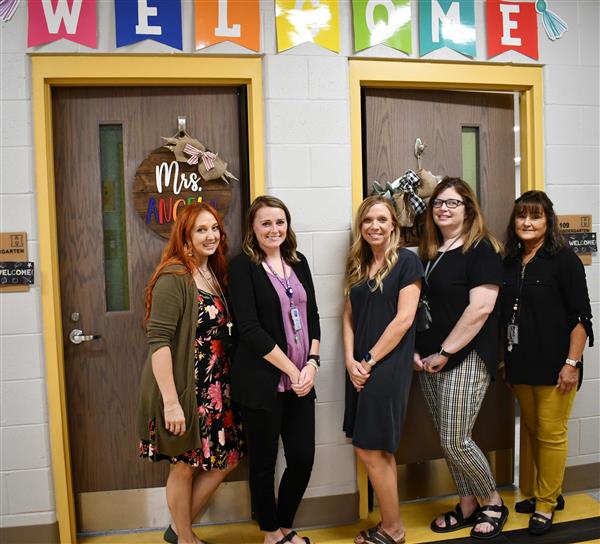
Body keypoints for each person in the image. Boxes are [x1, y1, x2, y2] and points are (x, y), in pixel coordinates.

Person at [137, 203, 245, 544]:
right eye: (201, 229)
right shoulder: (175, 275)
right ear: (185, 234)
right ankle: (186, 537)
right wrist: (171, 403)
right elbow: (159, 342)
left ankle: (177, 529)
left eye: (214, 228)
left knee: (225, 460)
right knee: (183, 465)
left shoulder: (213, 271)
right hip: (185, 388)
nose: (211, 235)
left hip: (216, 387)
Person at [414, 177, 508, 540]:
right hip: (429, 361)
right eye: (438, 203)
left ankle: (493, 501)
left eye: (452, 203)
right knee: (446, 438)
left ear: (469, 209)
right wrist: (422, 352)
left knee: (456, 439)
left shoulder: (481, 249)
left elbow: (481, 308)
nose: (443, 208)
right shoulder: (432, 251)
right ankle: (467, 503)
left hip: (464, 357)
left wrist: (446, 352)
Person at [228, 196, 320, 544]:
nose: (274, 229)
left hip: (302, 381)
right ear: (253, 228)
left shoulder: (300, 263)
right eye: (265, 223)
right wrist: (292, 370)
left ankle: (283, 523)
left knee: (302, 458)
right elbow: (249, 329)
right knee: (265, 462)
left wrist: (311, 364)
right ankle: (270, 532)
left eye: (279, 222)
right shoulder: (242, 267)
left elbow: (312, 319)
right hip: (262, 383)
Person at [501, 190, 593, 535]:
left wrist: (572, 362)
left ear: (547, 221)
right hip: (521, 365)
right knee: (536, 431)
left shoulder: (563, 260)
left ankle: (545, 503)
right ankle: (549, 492)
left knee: (552, 434)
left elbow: (581, 318)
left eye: (535, 216)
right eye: (522, 216)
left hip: (557, 366)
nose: (527, 222)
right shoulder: (510, 261)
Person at [343, 196, 422, 544]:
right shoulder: (359, 266)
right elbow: (347, 317)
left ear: (394, 225)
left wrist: (369, 360)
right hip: (359, 365)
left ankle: (393, 529)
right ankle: (391, 526)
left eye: (382, 219)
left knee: (369, 448)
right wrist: (349, 361)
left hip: (386, 365)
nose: (374, 225)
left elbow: (404, 320)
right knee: (376, 449)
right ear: (361, 228)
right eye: (367, 220)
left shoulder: (407, 262)